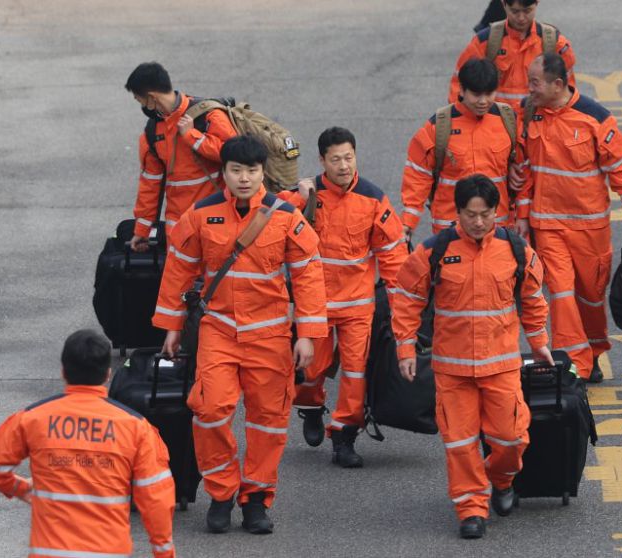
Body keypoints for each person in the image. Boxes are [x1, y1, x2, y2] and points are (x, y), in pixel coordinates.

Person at [152, 135, 327, 534]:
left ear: (263, 172)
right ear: (224, 173)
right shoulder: (201, 214)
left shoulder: (285, 216)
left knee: (269, 421)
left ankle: (256, 500)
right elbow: (179, 267)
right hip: (219, 329)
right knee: (210, 410)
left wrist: (308, 333)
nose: (244, 179)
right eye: (236, 171)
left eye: (251, 171)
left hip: (269, 334)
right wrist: (172, 326)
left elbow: (309, 274)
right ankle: (221, 492)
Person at [392, 175, 551, 539]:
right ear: (457, 213)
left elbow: (532, 298)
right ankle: (471, 508)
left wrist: (539, 340)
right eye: (470, 215)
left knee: (512, 438)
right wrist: (405, 348)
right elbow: (407, 300)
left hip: (501, 365)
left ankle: (501, 479)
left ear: (498, 211)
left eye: (485, 214)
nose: (478, 223)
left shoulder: (515, 250)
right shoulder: (434, 251)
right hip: (453, 370)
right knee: (460, 444)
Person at [0, 329, 176, 557]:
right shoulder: (136, 427)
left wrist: (20, 489)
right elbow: (156, 498)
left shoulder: (33, 418)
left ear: (63, 371)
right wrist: (164, 551)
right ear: (107, 375)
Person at [280, 127, 408, 467]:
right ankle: (309, 405)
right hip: (315, 305)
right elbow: (268, 217)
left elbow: (394, 257)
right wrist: (297, 198)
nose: (343, 165)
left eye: (348, 158)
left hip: (356, 305)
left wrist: (403, 313)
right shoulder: (307, 195)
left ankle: (344, 435)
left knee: (355, 372)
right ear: (322, 161)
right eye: (335, 159)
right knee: (310, 368)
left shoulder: (372, 199)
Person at [515, 53, 622, 382]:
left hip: (591, 227)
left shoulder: (595, 118)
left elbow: (618, 163)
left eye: (535, 82)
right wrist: (523, 213)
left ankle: (594, 350)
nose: (528, 88)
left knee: (589, 295)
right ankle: (573, 367)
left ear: (558, 84)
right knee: (560, 294)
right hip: (548, 225)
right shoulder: (528, 113)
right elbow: (526, 169)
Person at [125, 62, 238, 252]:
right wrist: (142, 230)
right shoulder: (152, 132)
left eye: (140, 100)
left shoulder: (208, 116)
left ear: (152, 98)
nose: (143, 106)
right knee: (177, 280)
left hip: (216, 221)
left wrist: (192, 137)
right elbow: (149, 185)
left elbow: (236, 155)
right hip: (177, 229)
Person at [402, 58, 521, 237]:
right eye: (476, 94)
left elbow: (524, 166)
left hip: (496, 226)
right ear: (462, 90)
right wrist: (407, 223)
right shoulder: (439, 127)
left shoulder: (509, 121)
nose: (483, 101)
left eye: (489, 94)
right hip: (450, 229)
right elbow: (418, 175)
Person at [448, 0, 576, 110]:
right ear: (503, 4)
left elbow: (567, 91)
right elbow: (460, 84)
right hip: (496, 125)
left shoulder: (555, 42)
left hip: (538, 127)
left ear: (537, 3)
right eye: (515, 11)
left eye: (527, 11)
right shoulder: (485, 42)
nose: (521, 18)